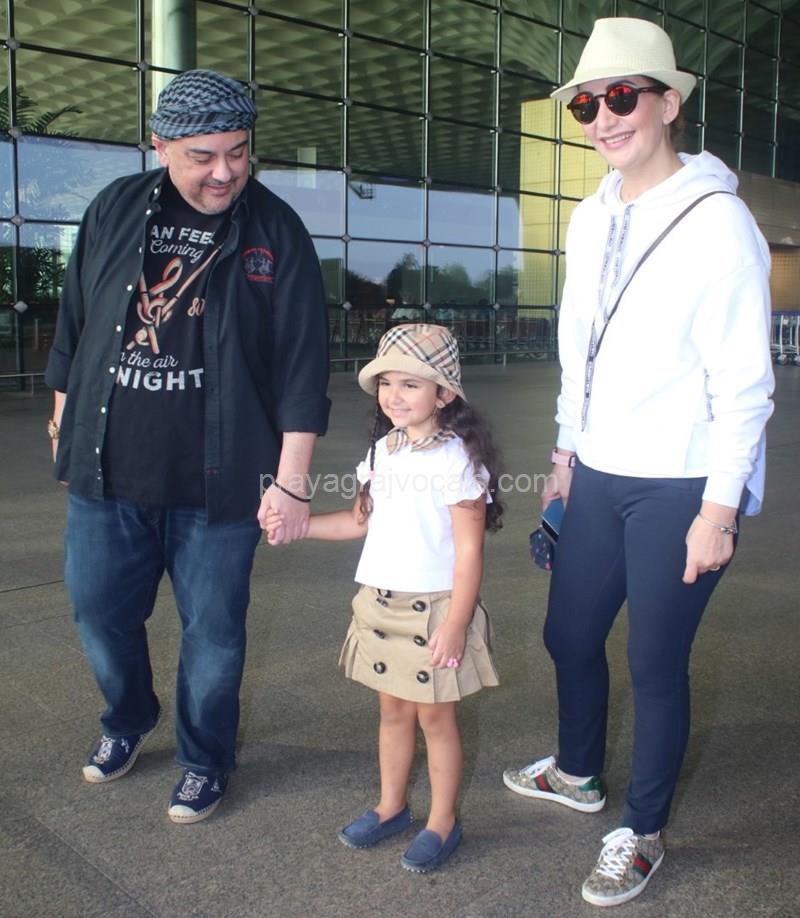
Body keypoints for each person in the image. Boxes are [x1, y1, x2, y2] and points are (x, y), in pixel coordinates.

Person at [502, 17, 774, 907]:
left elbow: (745, 385)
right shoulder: (590, 217)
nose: (604, 117)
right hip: (600, 469)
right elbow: (578, 349)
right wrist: (564, 455)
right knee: (568, 634)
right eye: (586, 104)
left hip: (683, 482)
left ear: (668, 104)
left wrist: (718, 512)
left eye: (622, 96)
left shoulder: (719, 222)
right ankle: (578, 772)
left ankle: (643, 832)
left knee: (656, 662)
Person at [44, 69, 330, 823]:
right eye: (203, 156)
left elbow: (302, 366)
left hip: (222, 482)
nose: (225, 172)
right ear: (160, 145)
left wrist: (292, 481)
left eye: (238, 151)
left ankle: (205, 759)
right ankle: (129, 717)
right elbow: (75, 325)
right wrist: (63, 423)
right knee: (98, 615)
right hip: (107, 470)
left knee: (215, 638)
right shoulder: (113, 209)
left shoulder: (276, 230)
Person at [265, 324, 502, 872]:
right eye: (387, 383)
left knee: (436, 720)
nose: (394, 395)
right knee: (392, 712)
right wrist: (298, 526)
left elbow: (469, 553)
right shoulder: (383, 451)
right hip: (380, 602)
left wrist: (457, 623)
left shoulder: (458, 459)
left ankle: (442, 821)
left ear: (444, 394)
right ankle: (391, 806)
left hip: (434, 610)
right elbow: (358, 521)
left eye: (411, 384)